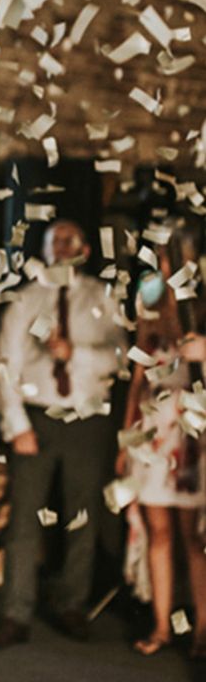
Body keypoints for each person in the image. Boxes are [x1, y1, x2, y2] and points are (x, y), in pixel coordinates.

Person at [0, 220, 126, 648]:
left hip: (87, 418)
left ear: (84, 247)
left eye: (70, 239)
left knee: (81, 515)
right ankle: (16, 613)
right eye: (54, 241)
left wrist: (77, 354)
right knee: (24, 518)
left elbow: (120, 356)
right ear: (45, 250)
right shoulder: (26, 298)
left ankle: (71, 604)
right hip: (37, 417)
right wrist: (16, 425)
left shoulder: (102, 297)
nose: (62, 247)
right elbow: (4, 364)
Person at [118, 241, 206, 657]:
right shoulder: (147, 335)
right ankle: (161, 627)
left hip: (188, 441)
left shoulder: (196, 332)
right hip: (152, 440)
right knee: (159, 534)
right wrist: (125, 442)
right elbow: (136, 387)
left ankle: (203, 630)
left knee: (193, 538)